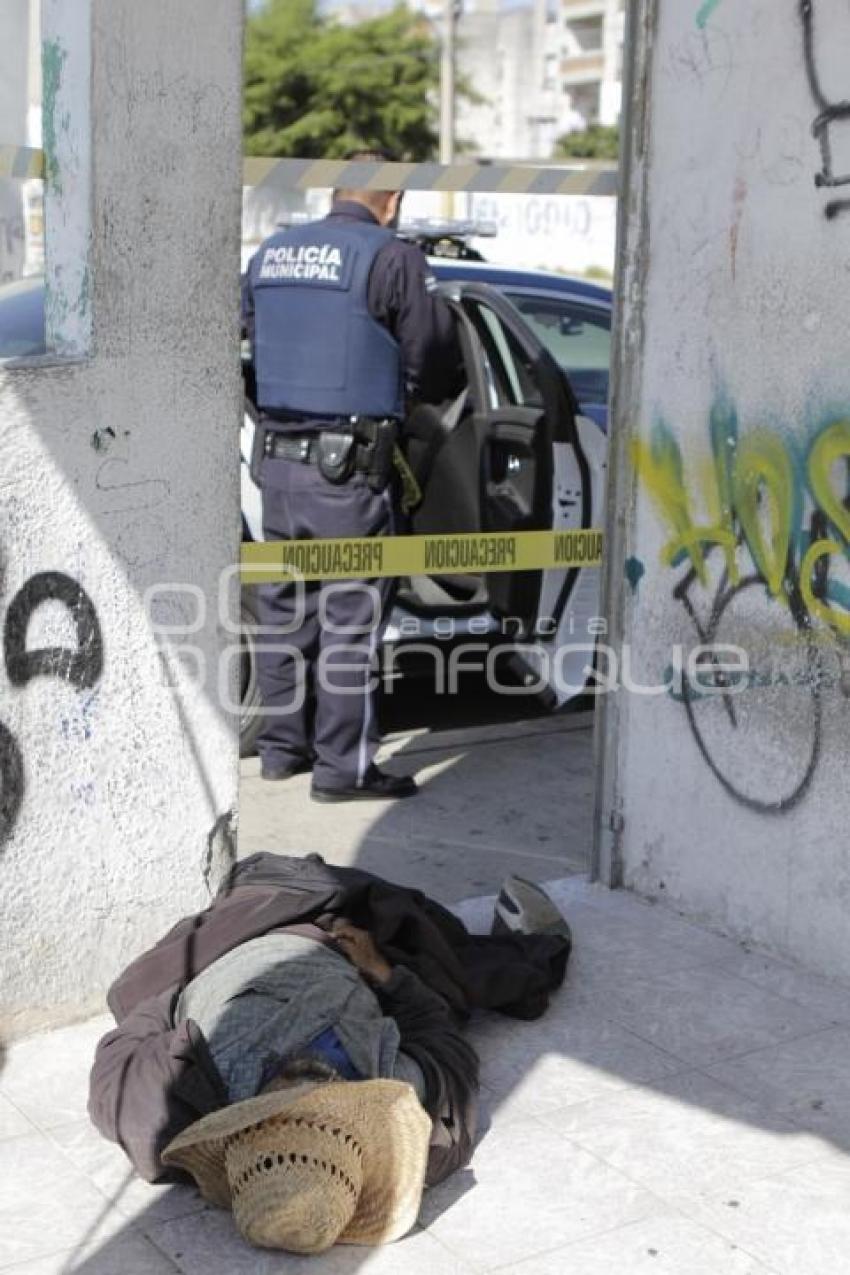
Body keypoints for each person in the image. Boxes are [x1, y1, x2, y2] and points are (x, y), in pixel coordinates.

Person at [87, 852, 572, 1253]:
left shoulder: (168, 1107)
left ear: (243, 1130)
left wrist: (179, 996)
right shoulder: (395, 1089)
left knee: (280, 877)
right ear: (351, 1136)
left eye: (286, 1107)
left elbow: (121, 1054)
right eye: (320, 1111)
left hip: (237, 931)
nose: (309, 1090)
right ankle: (528, 938)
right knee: (465, 966)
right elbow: (445, 1044)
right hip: (338, 933)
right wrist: (382, 972)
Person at [242, 156, 464, 801]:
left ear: (335, 194)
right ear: (389, 202)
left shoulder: (272, 254)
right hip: (349, 473)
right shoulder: (391, 257)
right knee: (351, 619)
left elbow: (249, 335)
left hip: (277, 466)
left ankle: (284, 751)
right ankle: (346, 770)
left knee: (286, 611)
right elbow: (432, 357)